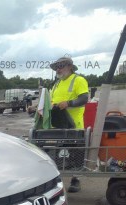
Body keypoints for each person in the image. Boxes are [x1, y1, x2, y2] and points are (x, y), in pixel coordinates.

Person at [50, 55, 89, 192]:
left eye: (61, 66)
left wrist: (69, 103)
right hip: (59, 125)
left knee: (75, 154)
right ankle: (57, 179)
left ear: (70, 67)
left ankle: (75, 180)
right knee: (60, 153)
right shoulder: (56, 84)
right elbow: (50, 101)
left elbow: (84, 98)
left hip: (74, 125)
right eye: (56, 67)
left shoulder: (78, 80)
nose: (58, 70)